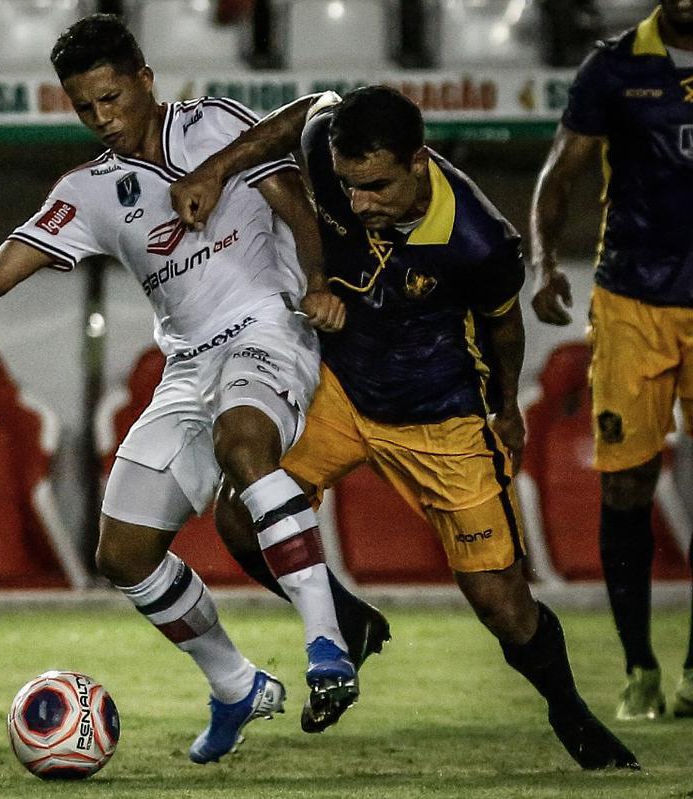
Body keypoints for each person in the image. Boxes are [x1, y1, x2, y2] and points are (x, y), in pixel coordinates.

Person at [0, 14, 389, 763]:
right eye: (84, 106)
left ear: (145, 79)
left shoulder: (215, 124)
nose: (102, 119)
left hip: (268, 333)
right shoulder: (91, 189)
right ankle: (235, 684)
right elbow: (0, 268)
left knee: (244, 443)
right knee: (122, 552)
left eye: (111, 98)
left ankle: (328, 646)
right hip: (189, 367)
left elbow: (299, 180)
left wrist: (315, 280)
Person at [171, 85, 639, 770]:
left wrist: (505, 406)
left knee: (504, 607)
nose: (358, 203)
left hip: (440, 416)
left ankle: (571, 712)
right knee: (240, 514)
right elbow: (305, 112)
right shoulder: (326, 147)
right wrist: (216, 170)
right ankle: (348, 618)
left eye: (376, 187)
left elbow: (504, 326)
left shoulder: (479, 240)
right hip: (338, 389)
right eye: (349, 185)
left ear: (419, 161)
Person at [530, 0, 693, 722]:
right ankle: (640, 669)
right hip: (634, 303)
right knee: (626, 486)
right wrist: (543, 264)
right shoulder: (615, 67)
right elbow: (558, 175)